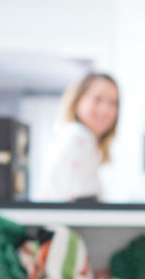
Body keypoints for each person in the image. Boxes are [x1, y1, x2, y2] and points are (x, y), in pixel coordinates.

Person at [39, 72, 119, 202]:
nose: (105, 109)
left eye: (113, 103)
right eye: (97, 99)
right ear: (77, 100)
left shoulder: (71, 134)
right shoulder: (78, 135)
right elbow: (84, 204)